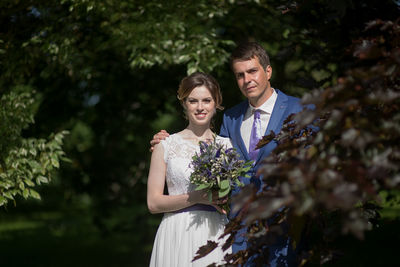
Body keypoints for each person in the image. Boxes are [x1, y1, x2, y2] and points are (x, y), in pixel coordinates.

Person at [150, 42, 304, 266]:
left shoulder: (299, 109)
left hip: (285, 230)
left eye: (252, 71)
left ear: (268, 71)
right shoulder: (231, 119)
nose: (247, 79)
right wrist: (163, 142)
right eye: (240, 75)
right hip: (236, 236)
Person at [147, 72, 232, 267]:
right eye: (193, 101)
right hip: (177, 232)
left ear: (216, 102)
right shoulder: (165, 145)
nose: (200, 107)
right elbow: (153, 203)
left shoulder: (227, 146)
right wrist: (196, 197)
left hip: (215, 232)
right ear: (184, 103)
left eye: (206, 100)